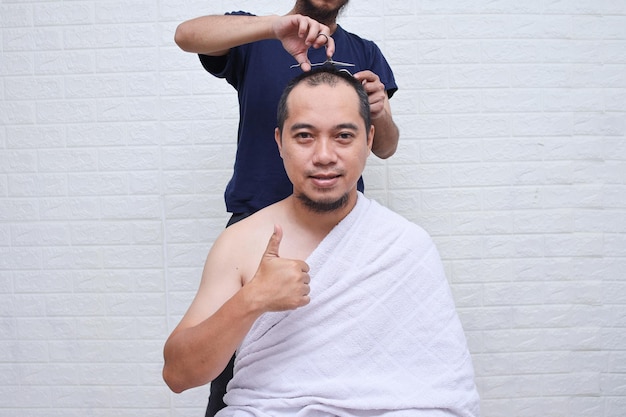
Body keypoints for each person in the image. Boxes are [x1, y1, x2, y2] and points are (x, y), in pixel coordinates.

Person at [162, 67, 480, 417]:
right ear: (279, 141)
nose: (324, 155)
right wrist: (252, 298)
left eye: (343, 136)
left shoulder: (406, 245)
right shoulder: (241, 242)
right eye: (304, 136)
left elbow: (440, 391)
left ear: (369, 140)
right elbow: (178, 375)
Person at [174, 2, 400, 414]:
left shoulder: (365, 51)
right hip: (259, 233)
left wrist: (381, 112)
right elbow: (186, 35)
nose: (323, 153)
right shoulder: (258, 37)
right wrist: (273, 27)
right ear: (282, 139)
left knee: (344, 369)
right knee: (236, 373)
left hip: (340, 230)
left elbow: (384, 146)